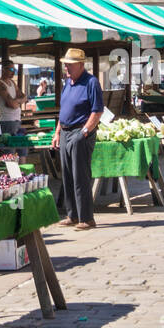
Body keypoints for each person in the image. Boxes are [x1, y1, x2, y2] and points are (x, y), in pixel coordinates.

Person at [52, 48, 103, 232]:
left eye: (70, 64)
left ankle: (87, 218)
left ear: (81, 65)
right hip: (65, 132)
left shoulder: (91, 82)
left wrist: (84, 132)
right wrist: (57, 132)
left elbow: (97, 111)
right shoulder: (68, 83)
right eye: (65, 63)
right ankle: (72, 214)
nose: (66, 67)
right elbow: (63, 110)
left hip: (80, 133)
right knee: (67, 176)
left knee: (80, 176)